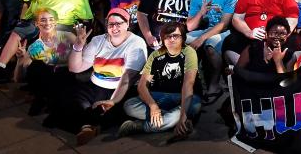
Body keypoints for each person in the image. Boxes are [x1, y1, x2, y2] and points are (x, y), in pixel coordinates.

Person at [52, 8, 148, 144]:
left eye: (119, 24)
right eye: (111, 24)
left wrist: (113, 101)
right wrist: (78, 47)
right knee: (68, 98)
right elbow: (75, 68)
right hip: (96, 84)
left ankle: (88, 124)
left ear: (127, 24)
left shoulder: (136, 43)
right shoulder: (98, 40)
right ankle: (90, 125)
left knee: (119, 108)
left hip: (120, 89)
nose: (114, 27)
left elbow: (127, 78)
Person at [119, 22, 202, 139]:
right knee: (129, 105)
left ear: (182, 38)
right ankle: (171, 121)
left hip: (184, 97)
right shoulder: (155, 55)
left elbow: (188, 84)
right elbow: (142, 85)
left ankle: (141, 126)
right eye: (168, 36)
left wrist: (182, 116)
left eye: (176, 36)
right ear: (162, 38)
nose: (171, 39)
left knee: (190, 108)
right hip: (160, 96)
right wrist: (153, 106)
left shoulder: (189, 52)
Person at [222, 0, 299, 68]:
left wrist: (281, 35)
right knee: (229, 42)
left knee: (297, 44)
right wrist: (249, 32)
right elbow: (237, 18)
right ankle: (243, 74)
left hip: (277, 36)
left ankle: (284, 76)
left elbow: (292, 18)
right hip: (252, 36)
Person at [186, 0, 237, 101]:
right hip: (203, 29)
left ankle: (215, 85)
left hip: (224, 31)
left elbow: (224, 24)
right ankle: (188, 84)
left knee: (210, 44)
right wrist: (201, 12)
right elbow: (190, 26)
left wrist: (201, 39)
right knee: (181, 40)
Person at [14, 8, 75, 116]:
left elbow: (85, 58)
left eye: (51, 19)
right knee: (38, 65)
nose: (47, 23)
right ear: (37, 23)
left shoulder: (67, 36)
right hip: (46, 83)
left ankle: (49, 100)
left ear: (56, 22)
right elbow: (18, 79)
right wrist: (20, 59)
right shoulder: (34, 47)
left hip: (66, 78)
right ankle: (42, 98)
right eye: (43, 20)